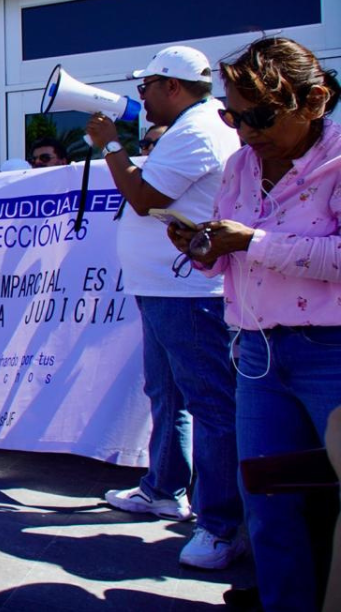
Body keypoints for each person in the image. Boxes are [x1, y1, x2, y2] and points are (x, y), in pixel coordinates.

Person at [167, 37, 341, 610]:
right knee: (266, 499)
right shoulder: (241, 163)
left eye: (260, 116)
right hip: (258, 350)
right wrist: (205, 247)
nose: (245, 132)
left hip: (330, 351)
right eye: (232, 116)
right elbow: (233, 247)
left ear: (314, 100)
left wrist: (254, 242)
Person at [86, 45, 243, 570]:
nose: (141, 99)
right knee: (167, 394)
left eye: (146, 87)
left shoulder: (198, 130)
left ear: (172, 86)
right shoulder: (191, 128)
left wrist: (110, 146)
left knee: (212, 407)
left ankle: (221, 526)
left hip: (188, 296)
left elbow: (141, 196)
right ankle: (162, 489)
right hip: (165, 291)